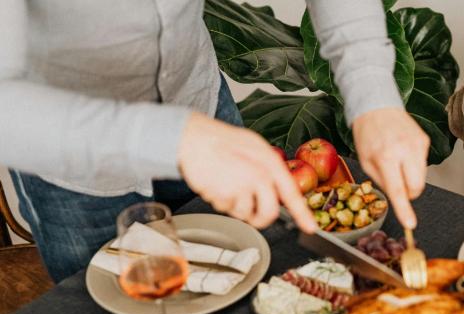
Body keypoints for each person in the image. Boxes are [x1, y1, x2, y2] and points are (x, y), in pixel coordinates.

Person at [0, 0, 429, 282]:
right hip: (72, 164)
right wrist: (174, 140)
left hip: (198, 100)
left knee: (244, 288)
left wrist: (373, 94)